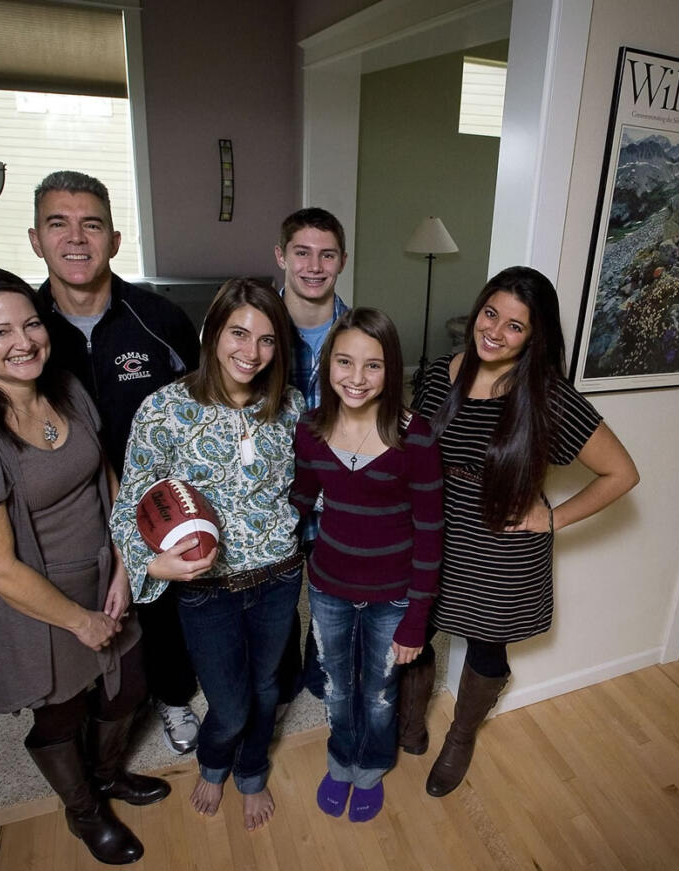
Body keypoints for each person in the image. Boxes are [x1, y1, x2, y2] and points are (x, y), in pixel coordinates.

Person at [0, 267, 169, 866]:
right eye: (0, 332)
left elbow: (106, 478)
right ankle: (84, 810)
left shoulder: (64, 388)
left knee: (128, 686)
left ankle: (108, 773)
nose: (24, 341)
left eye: (31, 323)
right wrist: (80, 622)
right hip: (38, 596)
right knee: (62, 710)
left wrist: (122, 562)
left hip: (101, 570)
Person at [404, 266, 640, 797]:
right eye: (491, 313)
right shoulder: (440, 372)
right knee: (416, 631)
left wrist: (551, 517)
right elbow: (412, 451)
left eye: (515, 325)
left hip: (499, 550)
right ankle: (410, 719)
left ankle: (461, 736)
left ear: (535, 336)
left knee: (486, 648)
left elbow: (622, 473)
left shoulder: (547, 396)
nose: (495, 331)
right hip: (433, 534)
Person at [110, 278, 306, 830]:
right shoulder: (164, 409)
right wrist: (153, 565)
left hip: (279, 576)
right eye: (238, 333)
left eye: (268, 340)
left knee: (268, 687)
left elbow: (316, 480)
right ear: (212, 332)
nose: (251, 352)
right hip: (207, 592)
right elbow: (128, 509)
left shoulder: (289, 406)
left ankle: (251, 773)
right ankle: (213, 761)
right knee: (232, 701)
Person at [29, 170, 203, 756]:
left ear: (115, 240)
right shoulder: (24, 330)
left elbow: (198, 413)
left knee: (163, 613)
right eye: (59, 223)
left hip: (156, 503)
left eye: (91, 224)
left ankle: (175, 700)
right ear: (36, 239)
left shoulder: (161, 319)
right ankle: (80, 722)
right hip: (65, 510)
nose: (76, 238)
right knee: (82, 617)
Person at [290, 308, 443, 822]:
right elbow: (302, 499)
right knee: (336, 685)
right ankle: (340, 760)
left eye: (372, 366)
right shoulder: (310, 431)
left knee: (378, 693)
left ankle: (372, 765)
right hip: (329, 588)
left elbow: (430, 531)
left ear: (391, 369)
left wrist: (416, 618)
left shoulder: (414, 437)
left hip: (393, 595)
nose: (356, 378)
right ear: (327, 365)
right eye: (344, 362)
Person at [274, 207, 350, 703]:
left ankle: (321, 666)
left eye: (327, 254)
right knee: (273, 605)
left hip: (337, 499)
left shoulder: (359, 336)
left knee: (332, 602)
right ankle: (279, 679)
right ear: (281, 256)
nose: (314, 266)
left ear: (341, 261)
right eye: (302, 252)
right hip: (270, 498)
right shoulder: (250, 330)